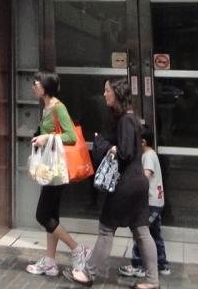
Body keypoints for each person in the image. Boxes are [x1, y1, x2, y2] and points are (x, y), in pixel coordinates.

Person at [65, 79, 157, 289]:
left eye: (107, 90)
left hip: (125, 185)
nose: (104, 94)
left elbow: (125, 152)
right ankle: (153, 281)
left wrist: (111, 148)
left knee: (107, 229)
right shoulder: (131, 118)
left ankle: (88, 273)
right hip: (137, 183)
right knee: (141, 231)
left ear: (117, 93)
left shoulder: (125, 120)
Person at [25, 71, 89, 276]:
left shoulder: (58, 107)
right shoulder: (46, 107)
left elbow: (70, 136)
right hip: (50, 169)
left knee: (42, 215)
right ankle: (50, 261)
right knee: (51, 216)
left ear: (46, 86)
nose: (33, 86)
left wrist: (47, 138)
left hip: (57, 170)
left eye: (36, 83)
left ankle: (77, 249)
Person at [120, 129, 169, 279]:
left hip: (150, 202)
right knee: (154, 234)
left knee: (140, 232)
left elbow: (144, 177)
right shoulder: (151, 154)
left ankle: (139, 265)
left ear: (143, 142)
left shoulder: (148, 156)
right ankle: (162, 264)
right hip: (156, 201)